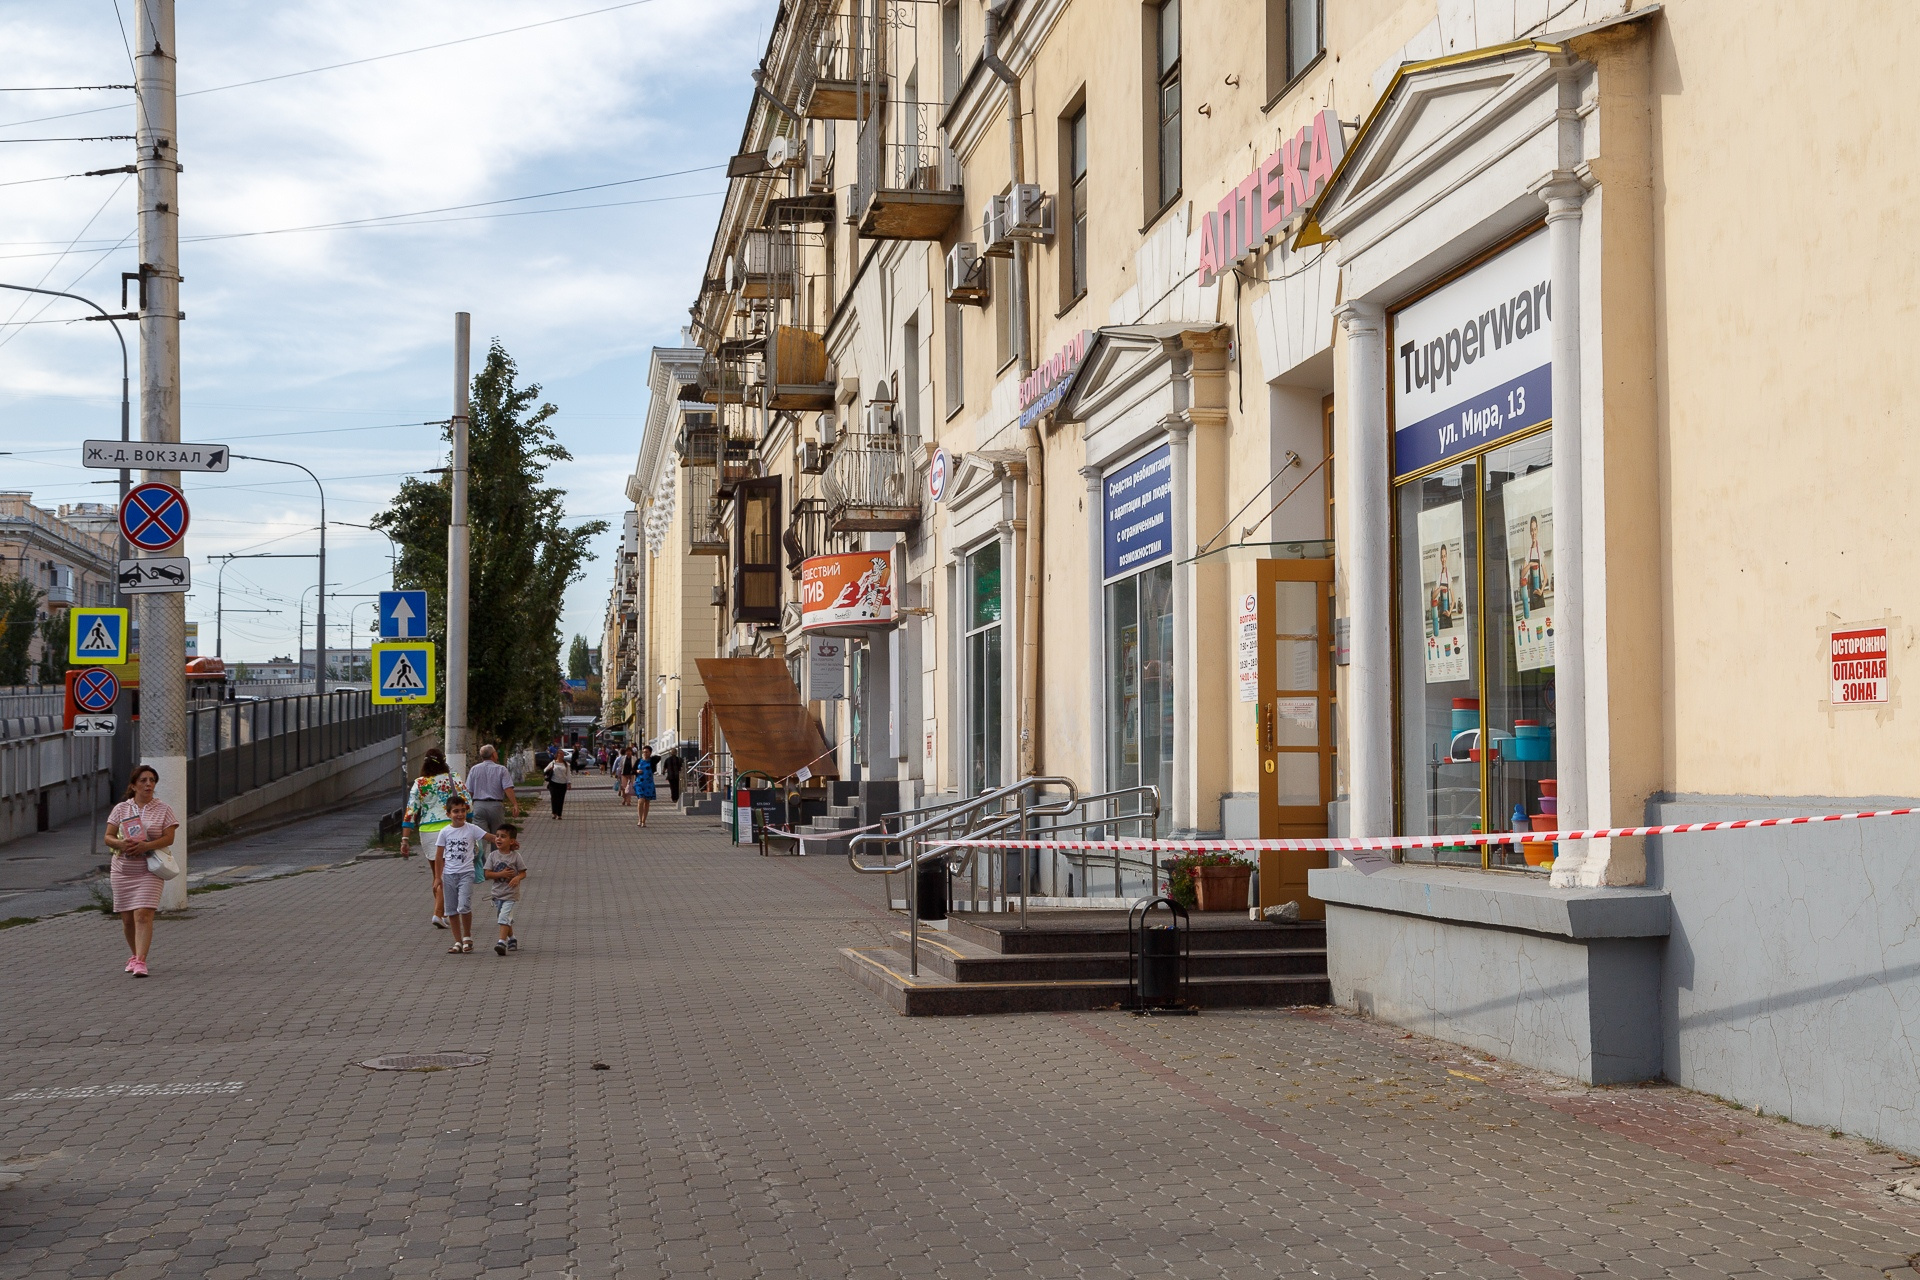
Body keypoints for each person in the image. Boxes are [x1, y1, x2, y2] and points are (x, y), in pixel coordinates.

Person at [103, 764, 177, 978]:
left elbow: (169, 837)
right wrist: (122, 844)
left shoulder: (163, 809)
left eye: (152, 780)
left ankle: (141, 961)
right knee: (127, 919)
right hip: (123, 869)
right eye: (143, 780)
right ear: (133, 785)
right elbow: (107, 836)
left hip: (149, 869)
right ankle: (135, 956)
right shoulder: (121, 809)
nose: (148, 784)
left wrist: (146, 846)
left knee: (143, 915)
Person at [401, 749, 469, 929]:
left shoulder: (420, 783)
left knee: (437, 875)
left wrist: (405, 839)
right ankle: (439, 914)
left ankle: (446, 913)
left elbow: (410, 812)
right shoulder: (453, 778)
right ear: (443, 762)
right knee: (447, 875)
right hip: (451, 829)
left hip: (427, 831)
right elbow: (468, 803)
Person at [432, 796, 489, 953]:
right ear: (448, 813)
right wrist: (438, 877)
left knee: (463, 905)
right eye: (456, 811)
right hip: (449, 875)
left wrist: (507, 841)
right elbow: (438, 856)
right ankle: (457, 942)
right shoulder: (445, 832)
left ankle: (467, 936)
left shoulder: (472, 829)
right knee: (451, 910)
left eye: (463, 811)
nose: (460, 814)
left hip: (466, 873)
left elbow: (490, 837)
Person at [483, 823, 528, 955]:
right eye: (497, 836)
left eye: (503, 836)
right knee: (505, 918)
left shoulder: (515, 856)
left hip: (510, 894)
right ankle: (512, 939)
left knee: (503, 917)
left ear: (512, 841)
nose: (498, 839)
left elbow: (523, 872)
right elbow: (487, 874)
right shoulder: (492, 856)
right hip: (497, 894)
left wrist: (517, 878)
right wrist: (500, 874)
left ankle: (501, 942)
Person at [464, 744, 519, 834]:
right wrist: (515, 804)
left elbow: (469, 791)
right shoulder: (501, 769)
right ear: (493, 754)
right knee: (498, 835)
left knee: (480, 835)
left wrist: (466, 807)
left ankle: (481, 848)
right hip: (496, 806)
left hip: (478, 805)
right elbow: (508, 788)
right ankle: (496, 848)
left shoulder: (474, 769)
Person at [543, 748, 572, 819]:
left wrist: (569, 783)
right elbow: (545, 770)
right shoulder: (553, 763)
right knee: (554, 798)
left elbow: (568, 774)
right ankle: (554, 813)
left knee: (561, 799)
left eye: (562, 754)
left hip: (562, 784)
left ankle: (559, 814)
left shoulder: (566, 764)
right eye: (560, 754)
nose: (561, 755)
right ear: (557, 755)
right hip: (553, 783)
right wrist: (550, 769)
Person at [633, 745, 657, 828]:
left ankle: (644, 820)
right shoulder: (639, 761)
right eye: (643, 752)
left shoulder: (652, 761)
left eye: (646, 752)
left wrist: (650, 757)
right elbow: (632, 770)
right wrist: (637, 771)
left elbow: (659, 757)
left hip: (649, 784)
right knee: (641, 800)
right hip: (639, 783)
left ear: (650, 753)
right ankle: (639, 819)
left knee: (647, 802)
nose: (645, 753)